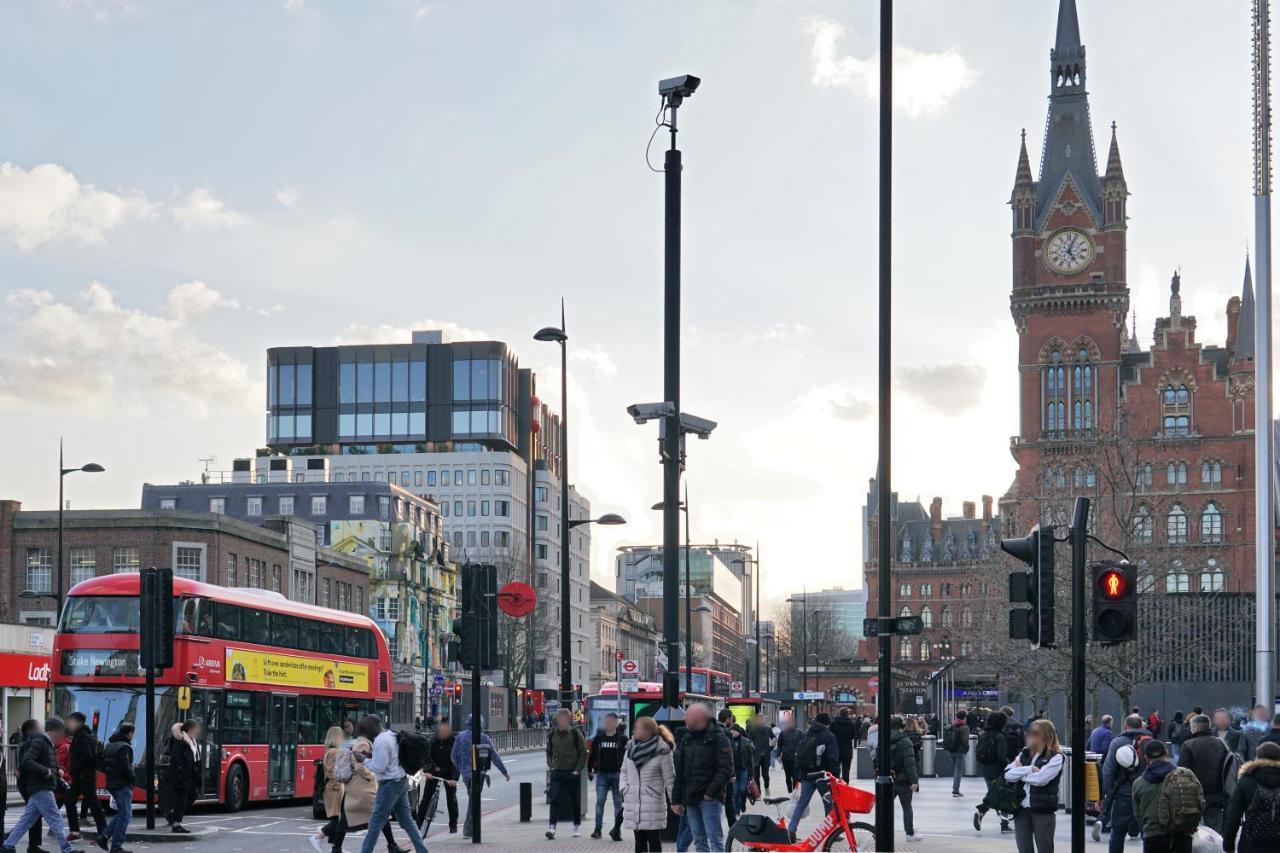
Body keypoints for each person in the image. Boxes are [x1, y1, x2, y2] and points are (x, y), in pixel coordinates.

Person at [356, 714, 428, 853]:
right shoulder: (392, 735)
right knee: (407, 821)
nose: (367, 734)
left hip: (389, 785)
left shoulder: (380, 741)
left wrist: (363, 760)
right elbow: (391, 758)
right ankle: (422, 850)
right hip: (401, 780)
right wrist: (370, 756)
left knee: (375, 823)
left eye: (367, 730)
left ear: (373, 727)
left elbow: (379, 767)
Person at [1, 719, 72, 853]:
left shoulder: (46, 742)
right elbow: (27, 761)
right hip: (41, 786)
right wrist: (46, 771)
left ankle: (8, 845)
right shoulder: (39, 741)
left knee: (27, 820)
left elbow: (47, 762)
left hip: (40, 786)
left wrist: (57, 770)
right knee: (55, 818)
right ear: (55, 731)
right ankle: (68, 849)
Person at [671, 704, 732, 853]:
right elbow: (680, 772)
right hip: (691, 797)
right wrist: (676, 799)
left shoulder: (719, 738)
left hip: (709, 799)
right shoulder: (687, 738)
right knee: (699, 839)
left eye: (688, 715)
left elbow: (726, 770)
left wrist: (710, 794)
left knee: (715, 839)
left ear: (699, 718)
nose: (684, 718)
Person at [1133, 738, 1204, 853]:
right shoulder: (1185, 775)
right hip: (1182, 834)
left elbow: (1138, 816)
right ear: (1166, 753)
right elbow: (1200, 801)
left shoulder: (1138, 784)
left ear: (1146, 758)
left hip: (1153, 836)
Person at [1005, 718, 1065, 853]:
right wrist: (1029, 769)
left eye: (1036, 733)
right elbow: (1007, 774)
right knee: (1024, 849)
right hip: (1020, 809)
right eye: (1030, 732)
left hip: (1043, 810)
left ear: (1047, 735)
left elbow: (1041, 779)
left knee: (1045, 848)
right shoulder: (1025, 753)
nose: (1030, 736)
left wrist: (1020, 774)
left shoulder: (1056, 757)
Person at [1099, 713, 1153, 852]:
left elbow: (1108, 771)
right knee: (1148, 834)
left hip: (1124, 793)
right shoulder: (1150, 740)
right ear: (1142, 725)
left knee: (1118, 832)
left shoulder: (1118, 742)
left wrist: (1103, 795)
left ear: (1125, 726)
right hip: (1147, 794)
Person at [451, 714, 510, 839]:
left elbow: (453, 756)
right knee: (474, 801)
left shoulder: (460, 737)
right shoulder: (484, 738)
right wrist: (504, 772)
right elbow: (494, 757)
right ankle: (468, 830)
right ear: (481, 724)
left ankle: (472, 829)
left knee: (473, 799)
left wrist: (461, 769)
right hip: (479, 775)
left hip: (466, 775)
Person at [621, 716, 675, 852]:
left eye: (637, 728)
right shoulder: (630, 748)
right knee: (638, 840)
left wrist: (675, 801)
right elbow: (623, 771)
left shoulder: (662, 751)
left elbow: (670, 778)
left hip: (652, 802)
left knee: (653, 839)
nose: (634, 730)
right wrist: (624, 788)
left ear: (648, 731)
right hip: (633, 801)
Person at [1222, 739, 1280, 853]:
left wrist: (1228, 845)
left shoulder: (1247, 779)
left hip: (1251, 842)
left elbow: (1233, 816)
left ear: (1257, 757)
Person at [787, 712, 840, 836]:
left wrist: (800, 775)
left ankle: (791, 829)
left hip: (807, 775)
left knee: (802, 803)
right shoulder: (829, 736)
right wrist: (836, 776)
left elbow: (800, 755)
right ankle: (830, 832)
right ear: (827, 723)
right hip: (823, 775)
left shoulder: (806, 734)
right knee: (828, 803)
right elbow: (833, 758)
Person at [1179, 713, 1231, 832]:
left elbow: (1181, 772)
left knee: (1193, 832)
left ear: (1196, 728)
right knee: (1214, 833)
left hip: (1194, 796)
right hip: (1217, 794)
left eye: (1191, 727)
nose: (1190, 730)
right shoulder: (1222, 743)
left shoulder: (1189, 745)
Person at [545, 708, 588, 840]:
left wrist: (577, 769)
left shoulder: (575, 733)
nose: (561, 722)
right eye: (559, 720)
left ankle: (576, 825)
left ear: (568, 720)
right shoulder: (552, 734)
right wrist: (551, 765)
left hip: (571, 772)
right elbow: (549, 751)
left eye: (564, 720)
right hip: (556, 772)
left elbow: (583, 752)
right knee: (554, 799)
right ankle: (552, 827)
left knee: (573, 801)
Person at [63, 714, 105, 842]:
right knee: (90, 802)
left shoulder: (81, 737)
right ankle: (100, 831)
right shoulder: (87, 735)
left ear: (77, 723)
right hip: (84, 775)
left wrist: (76, 768)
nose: (68, 724)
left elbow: (88, 757)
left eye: (70, 722)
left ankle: (99, 831)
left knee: (84, 802)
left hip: (82, 776)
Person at [97, 722, 135, 853]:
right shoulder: (124, 747)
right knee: (125, 815)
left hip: (111, 782)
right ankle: (116, 845)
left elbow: (102, 765)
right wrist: (132, 779)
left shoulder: (109, 745)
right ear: (129, 733)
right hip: (122, 784)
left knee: (123, 813)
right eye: (132, 734)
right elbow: (126, 768)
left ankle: (104, 836)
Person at [588, 713, 627, 841]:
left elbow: (627, 757)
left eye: (611, 722)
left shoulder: (622, 739)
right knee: (600, 802)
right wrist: (589, 770)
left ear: (616, 723)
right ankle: (597, 829)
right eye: (607, 722)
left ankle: (617, 829)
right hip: (602, 774)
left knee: (618, 804)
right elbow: (592, 755)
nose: (608, 724)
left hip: (617, 774)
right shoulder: (598, 738)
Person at [974, 711, 1012, 834]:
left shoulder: (984, 735)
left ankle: (981, 812)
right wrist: (1010, 765)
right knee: (1004, 795)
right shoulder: (1000, 736)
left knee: (994, 793)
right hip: (998, 769)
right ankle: (1004, 825)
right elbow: (1001, 756)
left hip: (986, 769)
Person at [419, 720, 459, 834]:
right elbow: (427, 757)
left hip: (449, 772)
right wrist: (427, 771)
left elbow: (456, 763)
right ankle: (418, 824)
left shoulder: (453, 742)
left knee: (451, 798)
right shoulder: (433, 741)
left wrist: (454, 779)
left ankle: (453, 824)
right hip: (434, 772)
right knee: (426, 798)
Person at [162, 720, 201, 833]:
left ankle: (172, 815)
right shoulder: (181, 741)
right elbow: (175, 757)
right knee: (181, 799)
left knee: (193, 795)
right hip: (181, 776)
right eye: (196, 729)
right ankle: (176, 824)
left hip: (188, 775)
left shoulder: (191, 740)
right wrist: (182, 772)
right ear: (190, 729)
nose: (198, 731)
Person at [312, 726, 347, 851]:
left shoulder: (329, 751)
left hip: (331, 789)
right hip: (334, 790)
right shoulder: (334, 752)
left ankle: (335, 848)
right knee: (339, 821)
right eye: (341, 736)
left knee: (336, 819)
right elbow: (332, 773)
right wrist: (339, 786)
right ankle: (319, 835)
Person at [945, 712, 970, 798]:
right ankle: (955, 790)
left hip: (951, 751)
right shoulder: (964, 727)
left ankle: (955, 788)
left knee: (956, 769)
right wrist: (966, 750)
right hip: (960, 751)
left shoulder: (952, 725)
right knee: (958, 771)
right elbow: (965, 741)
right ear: (964, 718)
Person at [747, 715, 775, 794]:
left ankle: (766, 787)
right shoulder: (752, 730)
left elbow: (773, 737)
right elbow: (749, 740)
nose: (760, 721)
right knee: (756, 776)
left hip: (766, 754)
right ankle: (758, 792)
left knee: (765, 775)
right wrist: (752, 747)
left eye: (761, 720)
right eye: (758, 720)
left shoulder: (768, 729)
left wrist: (771, 745)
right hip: (756, 755)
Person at [775, 716, 802, 793]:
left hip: (795, 758)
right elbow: (779, 744)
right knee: (788, 777)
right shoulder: (783, 733)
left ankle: (794, 792)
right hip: (786, 758)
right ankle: (790, 792)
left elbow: (803, 745)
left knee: (795, 777)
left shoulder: (799, 733)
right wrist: (778, 755)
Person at [829, 709, 857, 783]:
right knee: (846, 772)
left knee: (835, 771)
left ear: (839, 714)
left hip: (836, 750)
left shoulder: (833, 724)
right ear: (847, 714)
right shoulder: (851, 724)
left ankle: (835, 788)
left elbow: (830, 735)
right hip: (847, 750)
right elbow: (853, 736)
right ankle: (845, 787)